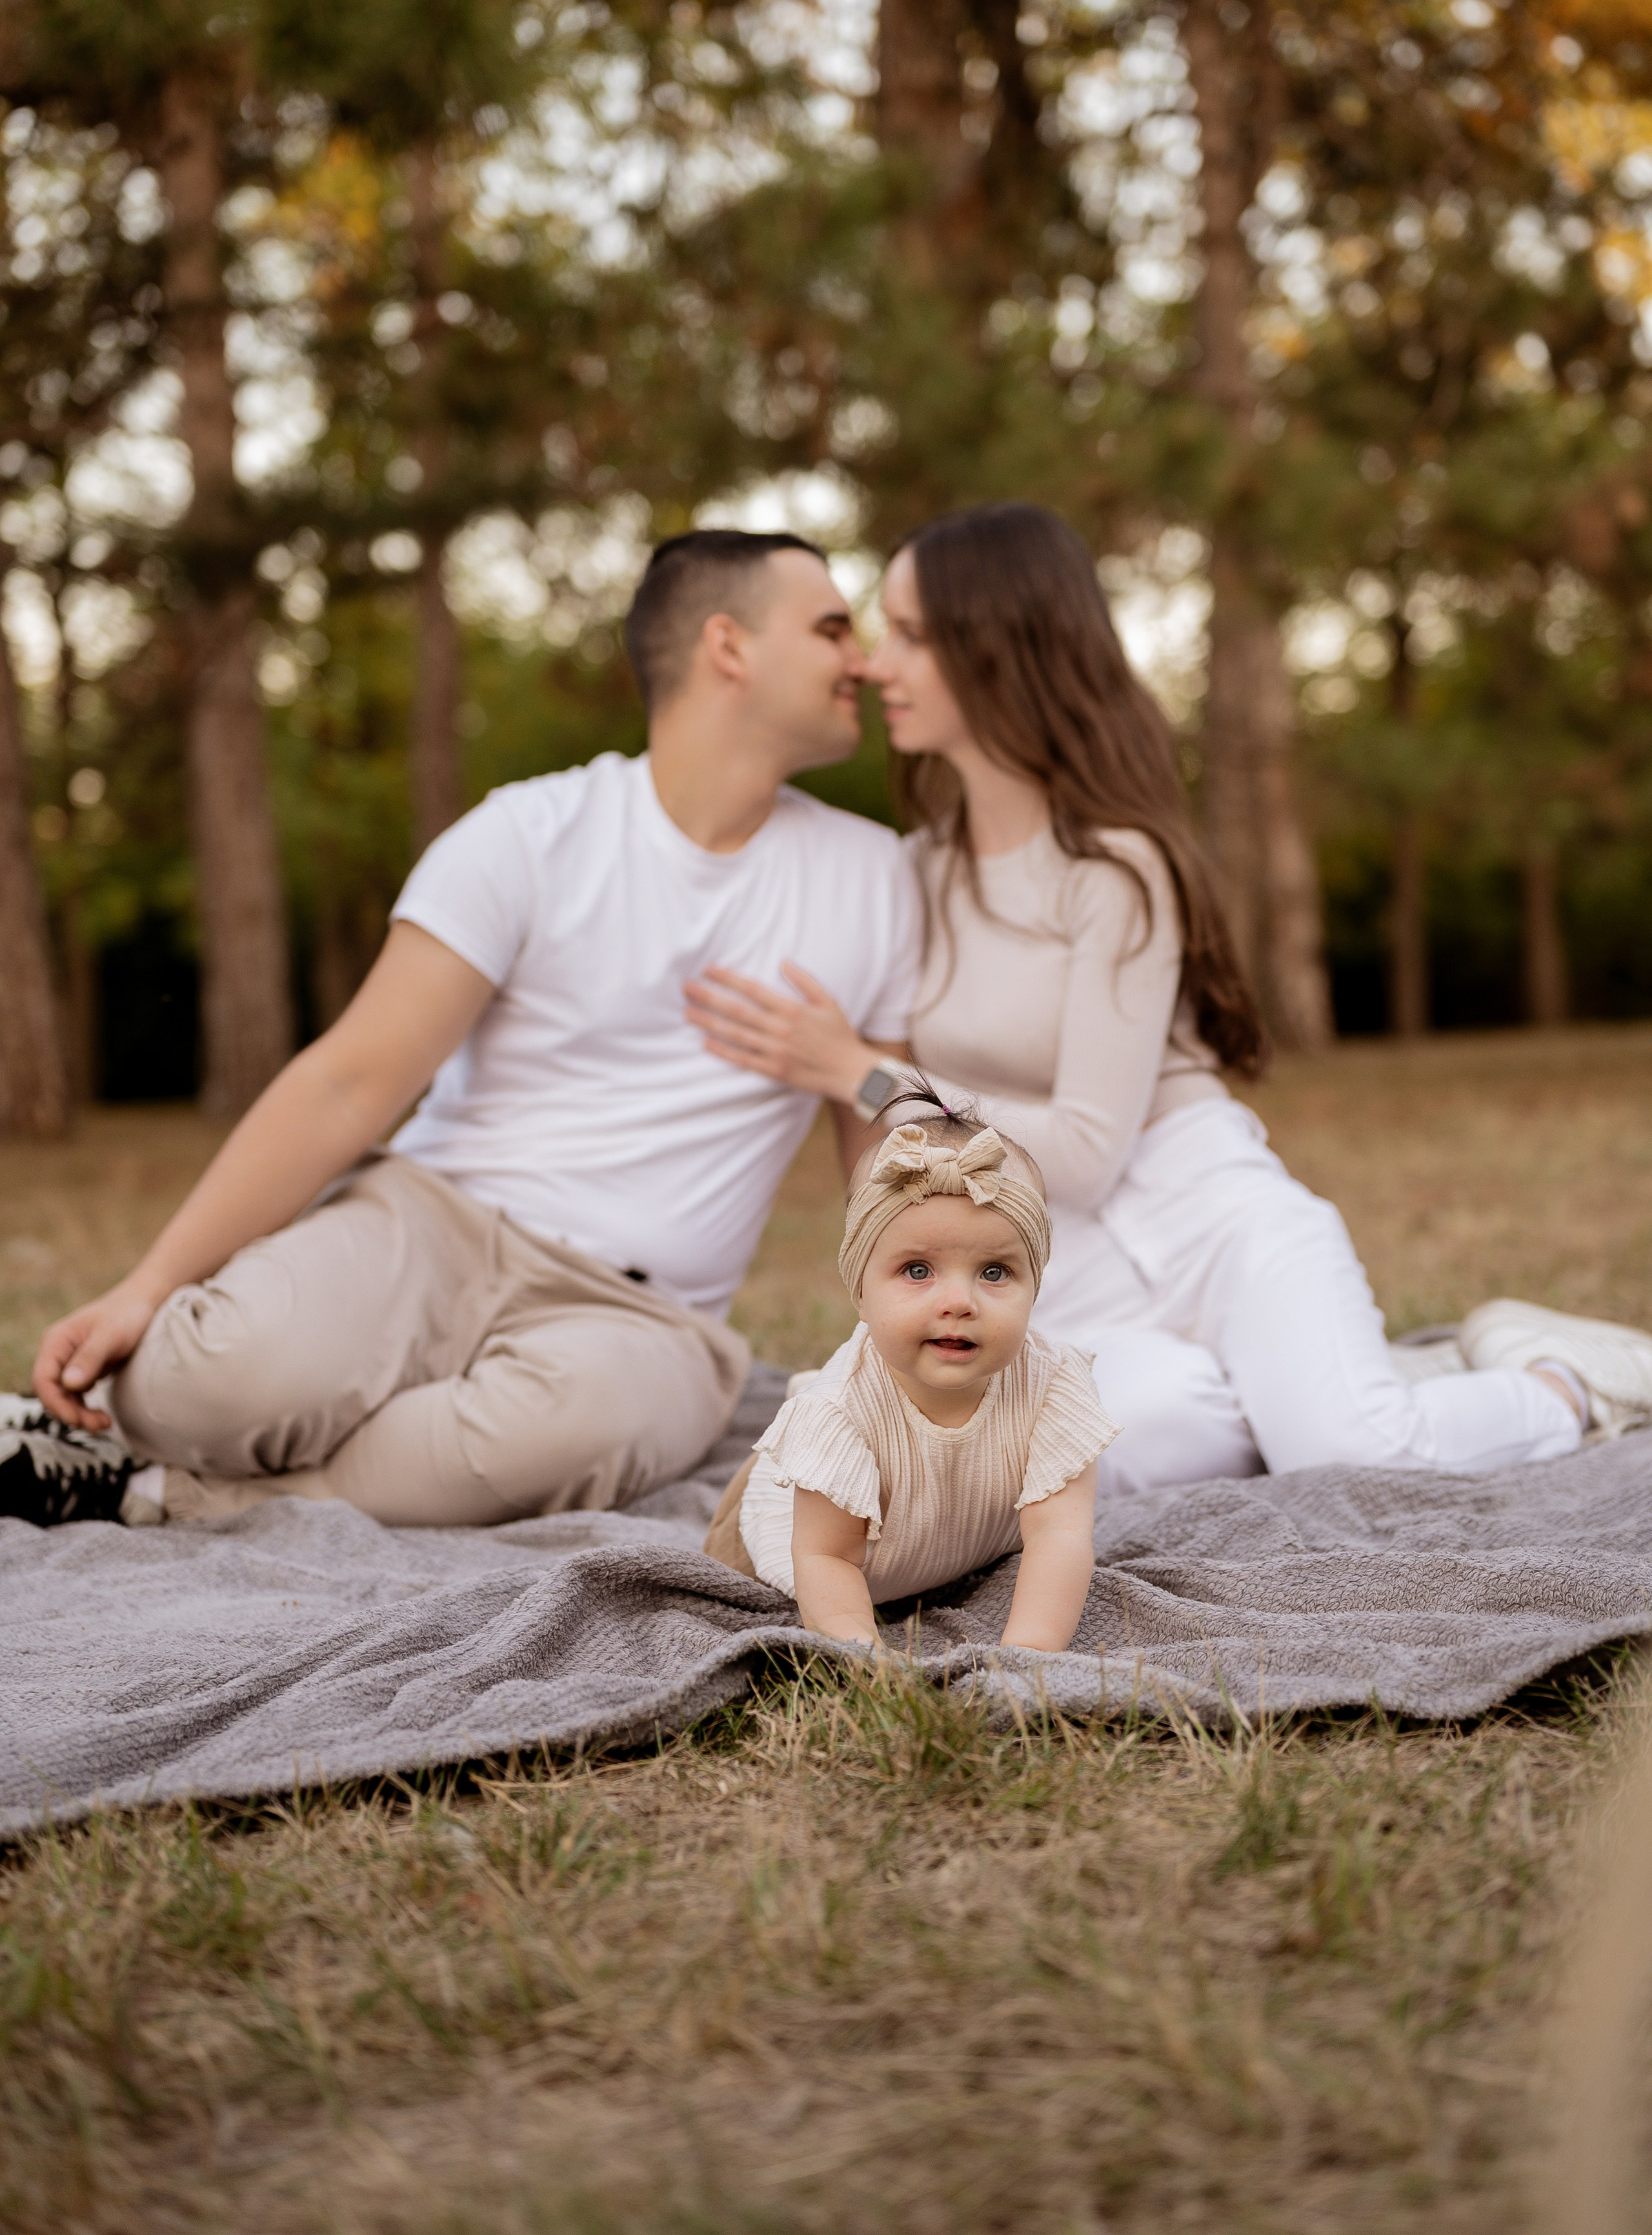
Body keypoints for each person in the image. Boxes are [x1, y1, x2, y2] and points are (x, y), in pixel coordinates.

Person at [686, 501, 1652, 1492]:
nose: (878, 666)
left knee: (1351, 1457)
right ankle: (1392, 1375)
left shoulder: (1116, 868)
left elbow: (1090, 1152)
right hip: (1065, 1268)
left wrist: (868, 1075)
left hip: (1210, 1215)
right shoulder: (910, 875)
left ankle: (1568, 1383)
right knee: (1145, 1439)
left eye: (916, 637)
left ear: (1003, 650)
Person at [10, 529, 921, 1531]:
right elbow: (350, 1083)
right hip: (434, 1224)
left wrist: (860, 1078)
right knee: (198, 1383)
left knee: (569, 1433)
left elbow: (882, 1165)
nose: (866, 661)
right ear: (728, 646)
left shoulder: (876, 877)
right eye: (835, 629)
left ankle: (146, 1490)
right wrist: (151, 1284)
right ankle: (181, 1445)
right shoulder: (527, 835)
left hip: (641, 1319)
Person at [703, 1111, 1115, 1648]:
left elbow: (1059, 1535)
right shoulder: (840, 1412)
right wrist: (867, 1663)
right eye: (918, 1271)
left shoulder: (1055, 1384)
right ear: (860, 1290)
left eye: (995, 1272)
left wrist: (1028, 1660)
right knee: (731, 1580)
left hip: (949, 1540)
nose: (958, 1303)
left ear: (1035, 1285)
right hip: (804, 1540)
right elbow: (827, 1556)